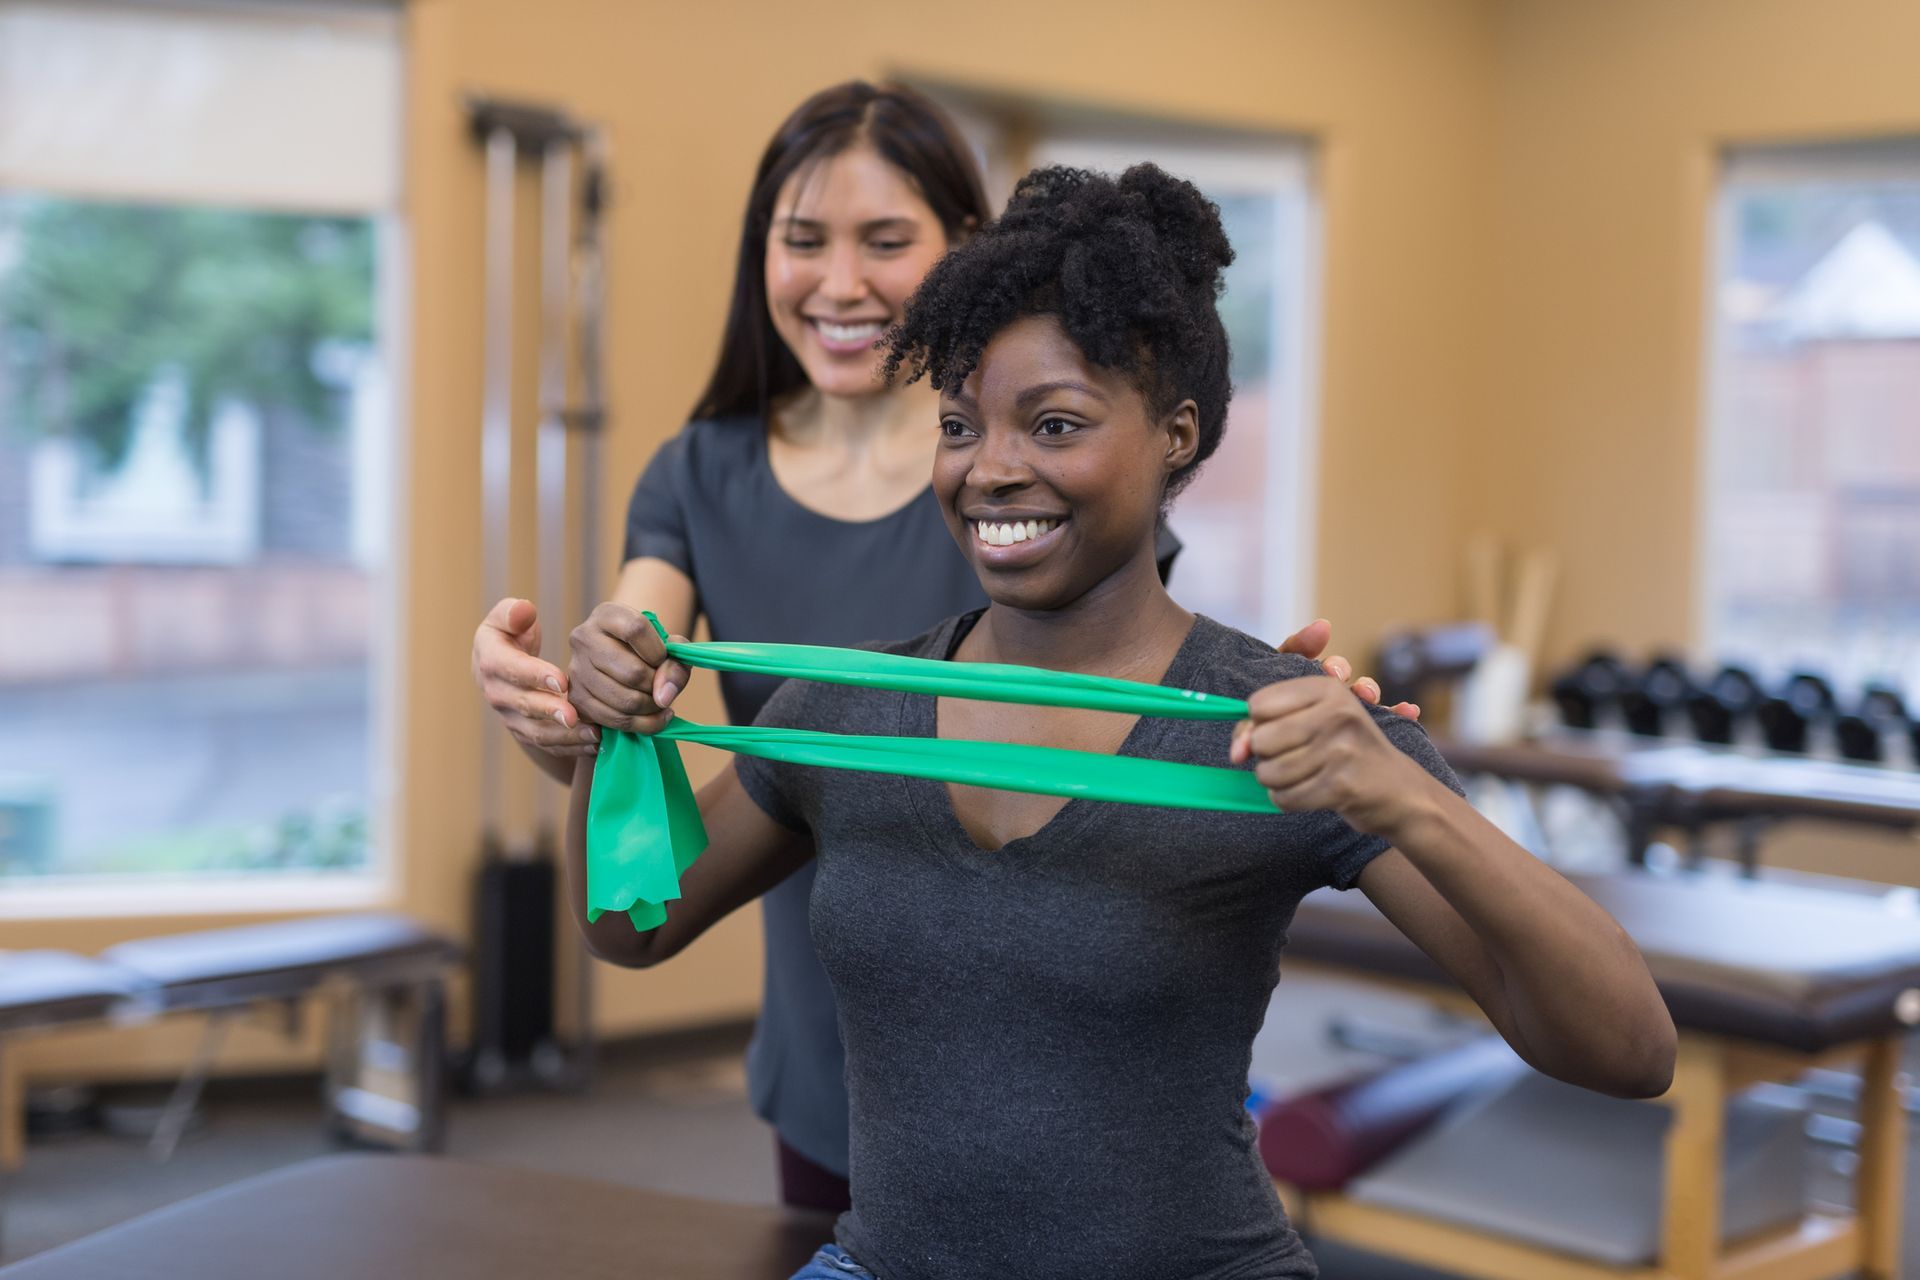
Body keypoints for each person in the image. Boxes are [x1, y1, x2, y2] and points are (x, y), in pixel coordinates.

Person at [562, 163, 1677, 1280]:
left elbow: (1628, 1048)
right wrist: (602, 744)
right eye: (959, 424)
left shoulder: (1279, 726)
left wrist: (1402, 796)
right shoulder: (847, 709)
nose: (992, 469)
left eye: (1054, 424)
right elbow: (632, 928)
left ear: (1176, 435)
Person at [470, 84, 1404, 1213]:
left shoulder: (1025, 481)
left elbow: (1127, 690)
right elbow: (635, 721)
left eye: (887, 241)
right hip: (836, 1039)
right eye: (803, 240)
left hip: (1066, 1039)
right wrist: (575, 709)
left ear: (969, 250)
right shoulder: (701, 472)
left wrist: (1295, 702)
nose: (843, 282)